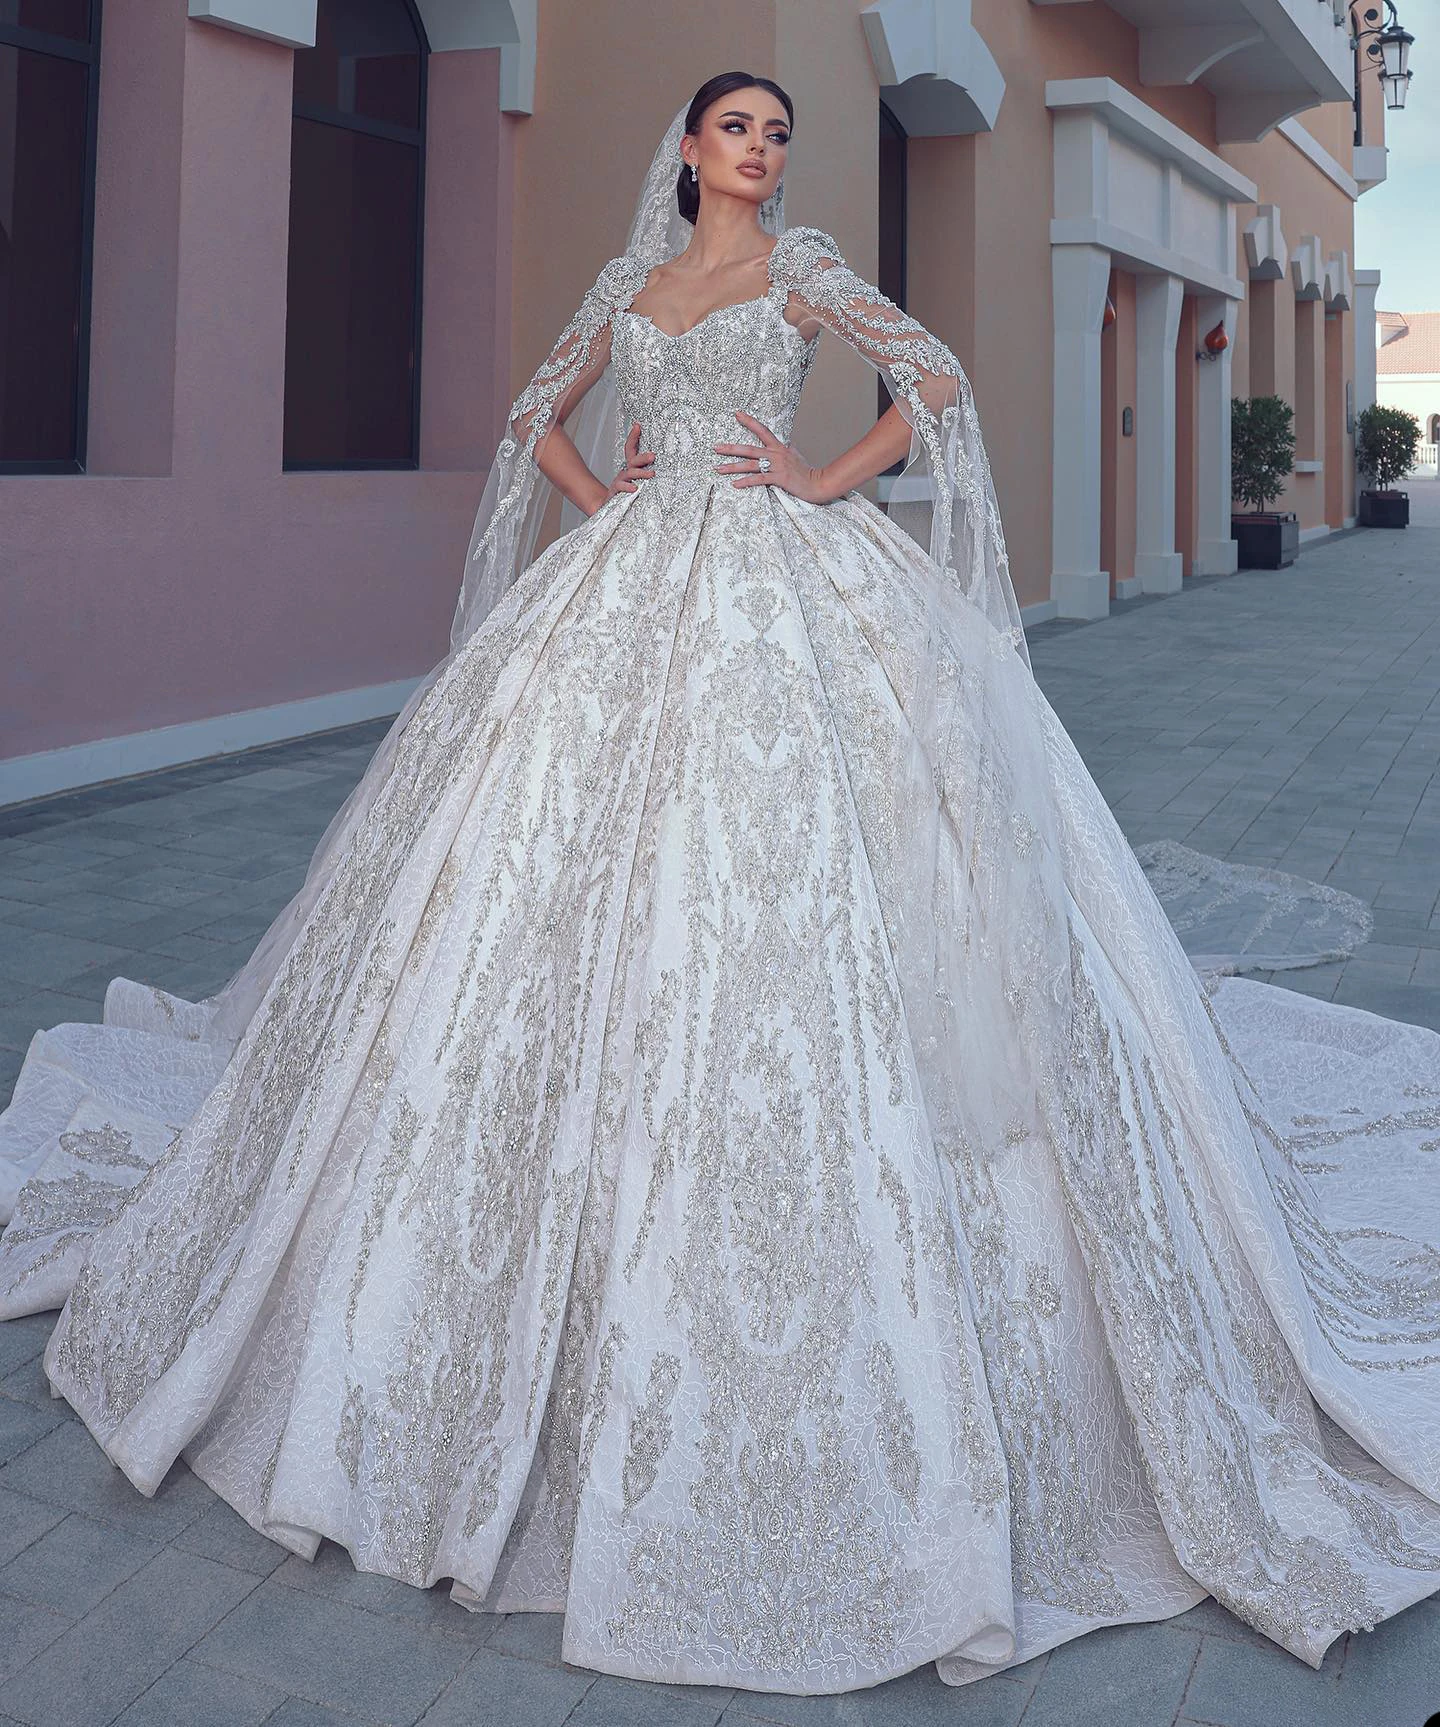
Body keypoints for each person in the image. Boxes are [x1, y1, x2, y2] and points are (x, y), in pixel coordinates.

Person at [2, 69, 1440, 1699]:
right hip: (627, 576)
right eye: (736, 128)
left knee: (803, 898)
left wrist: (827, 482)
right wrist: (605, 493)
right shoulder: (629, 284)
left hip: (784, 584)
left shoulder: (807, 266)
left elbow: (940, 385)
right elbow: (526, 420)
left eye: (776, 132)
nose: (759, 149)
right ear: (684, 147)